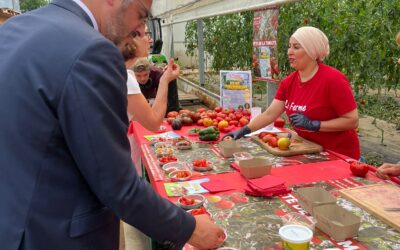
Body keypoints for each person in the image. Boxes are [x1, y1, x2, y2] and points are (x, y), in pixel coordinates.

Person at [0, 0, 225, 250]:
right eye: (140, 15)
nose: (139, 29)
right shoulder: (91, 49)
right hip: (55, 236)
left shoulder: (16, 27)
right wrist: (189, 229)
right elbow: (117, 184)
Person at [224, 26, 360, 160]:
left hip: (339, 155)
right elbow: (270, 114)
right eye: (289, 46)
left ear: (312, 51)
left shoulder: (333, 79)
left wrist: (316, 125)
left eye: (296, 47)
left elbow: (352, 120)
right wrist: (244, 131)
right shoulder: (289, 82)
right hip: (310, 150)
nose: (289, 52)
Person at [119, 29, 172, 131]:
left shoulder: (118, 71)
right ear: (132, 42)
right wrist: (164, 80)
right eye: (145, 34)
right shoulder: (126, 79)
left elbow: (136, 116)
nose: (151, 40)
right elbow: (154, 124)